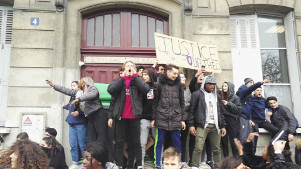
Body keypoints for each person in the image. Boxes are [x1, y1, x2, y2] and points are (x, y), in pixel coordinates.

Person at [46, 77, 113, 161]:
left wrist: (78, 99)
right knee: (90, 140)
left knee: (103, 139)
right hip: (90, 117)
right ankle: (92, 161)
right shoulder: (79, 92)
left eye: (80, 81)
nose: (79, 83)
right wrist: (53, 85)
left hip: (99, 115)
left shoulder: (92, 88)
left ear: (84, 82)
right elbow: (66, 91)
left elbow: (90, 95)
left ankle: (109, 161)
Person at [107, 60, 150, 169]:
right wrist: (110, 116)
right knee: (119, 142)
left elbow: (146, 89)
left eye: (132, 66)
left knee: (135, 143)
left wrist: (135, 76)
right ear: (124, 69)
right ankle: (120, 165)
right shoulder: (119, 81)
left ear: (134, 69)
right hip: (121, 117)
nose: (130, 67)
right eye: (127, 66)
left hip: (134, 117)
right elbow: (111, 92)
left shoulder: (137, 81)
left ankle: (137, 165)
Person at [188, 75, 226, 169]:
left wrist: (223, 126)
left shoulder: (217, 96)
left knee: (217, 149)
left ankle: (218, 167)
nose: (212, 86)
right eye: (209, 84)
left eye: (213, 84)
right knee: (198, 147)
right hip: (202, 124)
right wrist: (191, 125)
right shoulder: (197, 94)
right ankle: (195, 166)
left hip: (216, 125)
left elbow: (220, 112)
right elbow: (191, 110)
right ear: (205, 84)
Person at [152, 64, 186, 169]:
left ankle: (178, 164)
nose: (176, 75)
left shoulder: (179, 85)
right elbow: (154, 103)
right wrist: (153, 118)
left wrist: (183, 119)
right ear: (168, 72)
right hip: (161, 118)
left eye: (177, 74)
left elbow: (182, 103)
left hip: (176, 119)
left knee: (177, 144)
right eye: (174, 73)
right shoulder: (159, 85)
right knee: (159, 143)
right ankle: (158, 164)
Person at [236, 78, 269, 144]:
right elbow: (250, 88)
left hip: (247, 118)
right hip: (242, 117)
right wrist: (261, 82)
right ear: (246, 84)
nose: (252, 84)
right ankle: (242, 153)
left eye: (253, 83)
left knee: (250, 137)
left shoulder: (249, 96)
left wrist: (250, 119)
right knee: (243, 136)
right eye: (251, 83)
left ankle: (250, 153)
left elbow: (249, 109)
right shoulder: (243, 90)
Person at [62, 80, 87, 169]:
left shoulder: (81, 96)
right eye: (71, 85)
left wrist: (78, 112)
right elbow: (70, 106)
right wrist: (64, 106)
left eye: (74, 85)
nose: (72, 87)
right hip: (71, 124)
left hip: (80, 124)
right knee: (73, 145)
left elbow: (85, 108)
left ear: (78, 87)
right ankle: (75, 163)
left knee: (82, 145)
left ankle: (85, 163)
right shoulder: (72, 97)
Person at [251, 87, 278, 152]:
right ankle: (253, 151)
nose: (259, 92)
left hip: (262, 120)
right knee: (255, 131)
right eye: (257, 90)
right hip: (254, 120)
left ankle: (271, 147)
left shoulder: (263, 100)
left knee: (275, 130)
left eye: (260, 90)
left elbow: (269, 107)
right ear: (254, 92)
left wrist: (270, 111)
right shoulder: (251, 99)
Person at [140, 68, 157, 168]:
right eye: (143, 75)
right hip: (144, 118)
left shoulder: (156, 87)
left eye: (146, 74)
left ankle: (158, 162)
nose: (144, 76)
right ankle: (141, 164)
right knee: (142, 142)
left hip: (155, 119)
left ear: (150, 75)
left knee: (157, 142)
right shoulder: (141, 87)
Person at [220, 82, 241, 157]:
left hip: (232, 120)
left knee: (234, 142)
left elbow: (238, 110)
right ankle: (226, 161)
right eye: (223, 86)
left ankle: (236, 161)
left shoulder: (235, 97)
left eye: (225, 86)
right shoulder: (220, 96)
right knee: (224, 143)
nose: (224, 87)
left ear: (230, 87)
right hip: (222, 120)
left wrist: (228, 104)